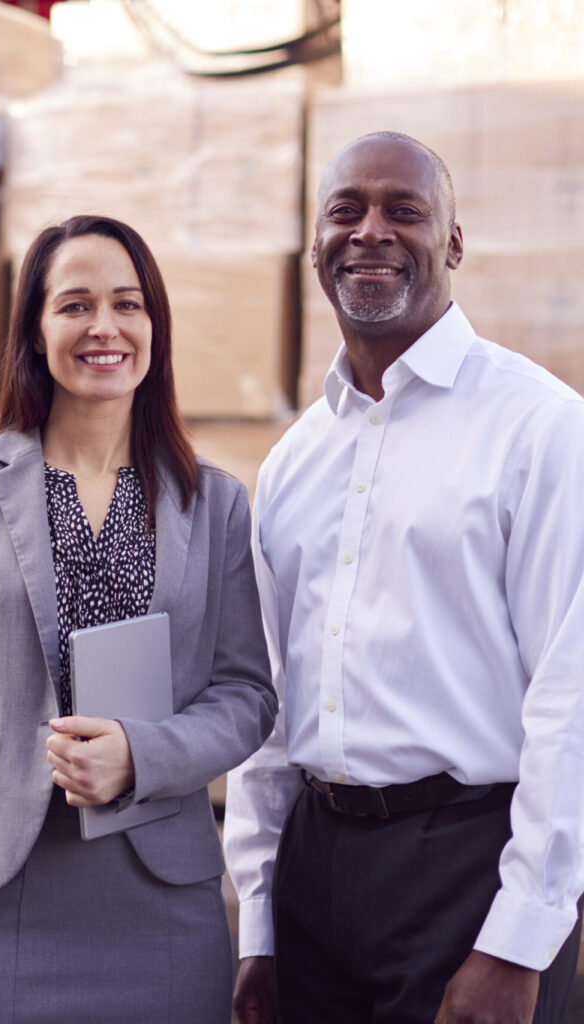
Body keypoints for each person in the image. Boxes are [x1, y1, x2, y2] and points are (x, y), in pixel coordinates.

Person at [0, 214, 276, 1024]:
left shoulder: (219, 502)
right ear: (35, 328)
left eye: (128, 304)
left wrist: (144, 752)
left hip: (161, 899)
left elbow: (247, 695)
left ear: (154, 326)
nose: (104, 327)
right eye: (75, 304)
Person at [224, 131, 584, 1024]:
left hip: (466, 869)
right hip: (314, 874)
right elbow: (270, 710)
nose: (370, 231)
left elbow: (571, 701)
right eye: (346, 211)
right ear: (316, 245)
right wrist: (259, 928)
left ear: (453, 244)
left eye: (405, 211)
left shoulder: (540, 431)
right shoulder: (292, 462)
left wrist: (519, 940)